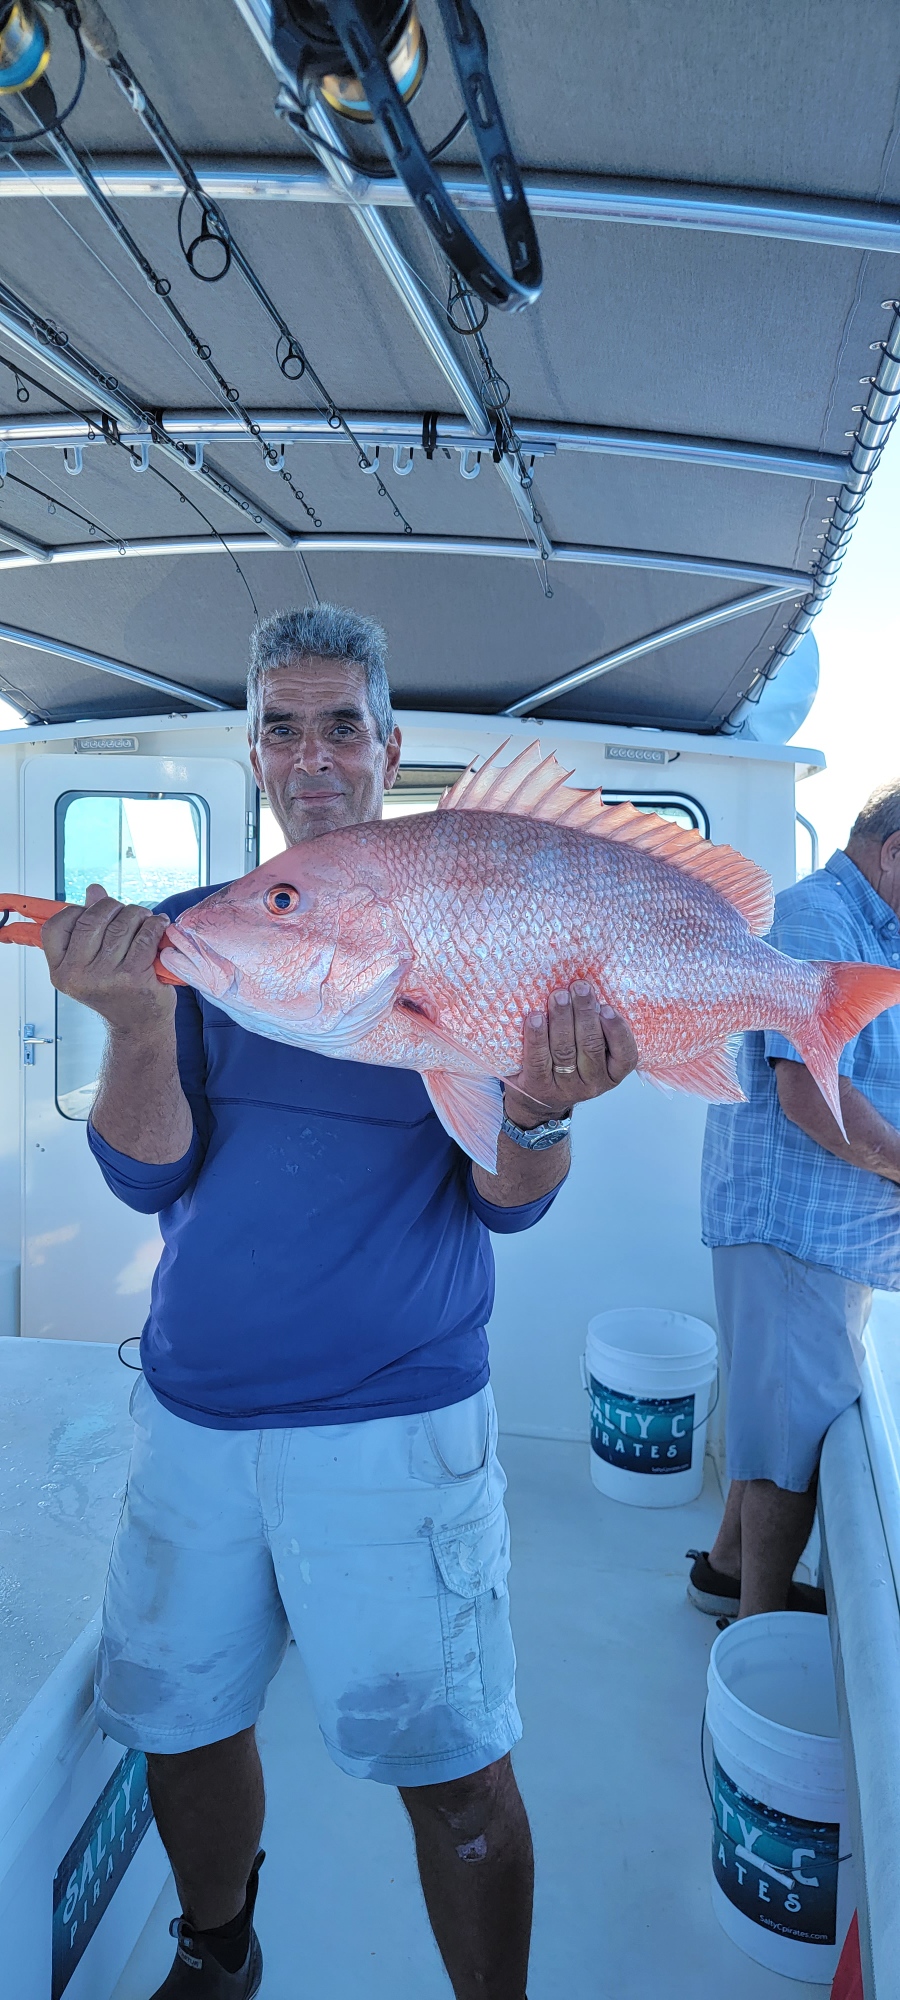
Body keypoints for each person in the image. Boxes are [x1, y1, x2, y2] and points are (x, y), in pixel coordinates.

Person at [43, 604, 638, 2000]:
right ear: (250, 748)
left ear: (389, 746)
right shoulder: (193, 938)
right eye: (283, 725)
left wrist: (542, 1104)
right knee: (183, 1727)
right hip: (196, 1420)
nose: (313, 755)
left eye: (342, 725)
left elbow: (514, 1200)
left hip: (396, 1430)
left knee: (454, 1769)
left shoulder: (470, 925)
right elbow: (146, 1185)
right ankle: (219, 1947)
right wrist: (133, 1023)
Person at [694, 780, 900, 1623]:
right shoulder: (820, 918)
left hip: (811, 1237)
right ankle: (760, 1626)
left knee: (768, 1424)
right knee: (792, 1456)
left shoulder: (856, 923)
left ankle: (725, 1568)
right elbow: (810, 1092)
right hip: (794, 1232)